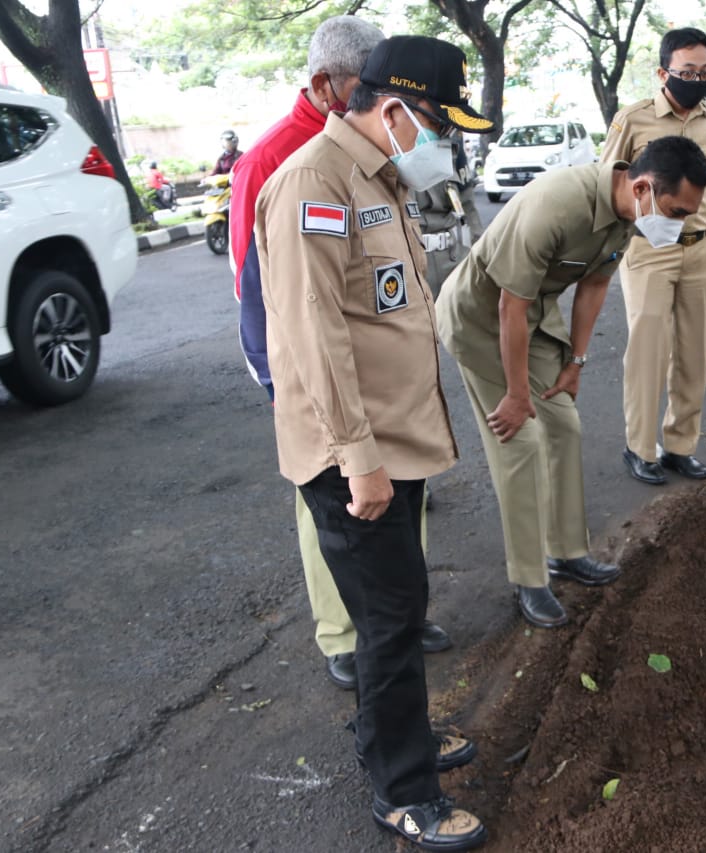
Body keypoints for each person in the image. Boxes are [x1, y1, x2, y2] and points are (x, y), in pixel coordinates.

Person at [255, 34, 494, 850]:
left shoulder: (378, 179)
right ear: (393, 110)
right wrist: (359, 456)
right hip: (356, 452)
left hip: (393, 438)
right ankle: (404, 791)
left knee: (397, 605)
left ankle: (401, 736)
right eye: (437, 124)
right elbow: (313, 336)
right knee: (388, 620)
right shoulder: (311, 187)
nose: (443, 142)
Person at [230, 16, 452, 695]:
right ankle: (345, 637)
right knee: (338, 518)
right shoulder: (290, 166)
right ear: (336, 89)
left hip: (383, 397)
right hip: (309, 375)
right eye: (365, 86)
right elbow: (271, 295)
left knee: (394, 569)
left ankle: (391, 636)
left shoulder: (378, 164)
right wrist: (293, 395)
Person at [435, 135, 706, 629]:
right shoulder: (557, 205)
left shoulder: (629, 214)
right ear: (644, 187)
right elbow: (508, 306)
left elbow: (595, 284)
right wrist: (518, 394)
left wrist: (576, 363)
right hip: (481, 320)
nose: (677, 224)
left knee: (564, 426)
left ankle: (564, 551)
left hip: (532, 320)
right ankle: (528, 578)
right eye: (674, 211)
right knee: (520, 441)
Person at [600, 26, 706, 486]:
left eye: (705, 72)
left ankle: (681, 445)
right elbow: (609, 183)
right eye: (687, 72)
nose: (697, 80)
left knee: (693, 352)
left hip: (700, 249)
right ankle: (641, 448)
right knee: (647, 350)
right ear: (664, 72)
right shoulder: (634, 119)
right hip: (647, 248)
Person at [417, 136, 483, 296]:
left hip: (453, 259)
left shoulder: (451, 147)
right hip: (413, 265)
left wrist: (480, 257)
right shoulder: (391, 148)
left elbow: (468, 207)